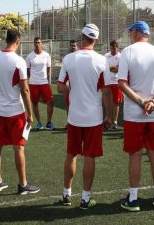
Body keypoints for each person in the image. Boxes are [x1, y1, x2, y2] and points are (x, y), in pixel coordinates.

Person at [118, 21, 154, 212]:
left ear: (136, 32)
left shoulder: (128, 52)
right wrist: (153, 102)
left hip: (134, 114)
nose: (129, 34)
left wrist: (142, 102)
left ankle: (133, 199)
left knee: (135, 154)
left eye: (130, 31)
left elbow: (122, 83)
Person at [57, 24, 112, 209]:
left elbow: (60, 87)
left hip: (74, 117)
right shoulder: (101, 60)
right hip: (94, 118)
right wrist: (109, 117)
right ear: (95, 40)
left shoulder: (69, 58)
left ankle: (66, 194)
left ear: (82, 37)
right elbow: (105, 92)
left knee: (71, 154)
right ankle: (86, 198)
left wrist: (72, 89)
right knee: (89, 157)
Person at [0, 29, 40, 194]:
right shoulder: (18, 61)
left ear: (6, 40)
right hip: (15, 111)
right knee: (18, 148)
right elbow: (25, 90)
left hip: (0, 111)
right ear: (18, 41)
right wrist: (30, 113)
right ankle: (22, 184)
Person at [25, 37, 55, 130]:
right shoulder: (30, 56)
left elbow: (48, 68)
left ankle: (49, 122)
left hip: (44, 82)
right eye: (35, 43)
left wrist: (44, 77)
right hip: (33, 83)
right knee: (34, 103)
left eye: (39, 42)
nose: (37, 44)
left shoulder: (46, 55)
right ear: (34, 44)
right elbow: (28, 70)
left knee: (50, 101)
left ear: (41, 43)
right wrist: (34, 77)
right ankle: (39, 123)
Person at [104, 40, 122, 129]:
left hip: (116, 82)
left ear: (117, 47)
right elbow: (104, 68)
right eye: (112, 47)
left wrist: (110, 68)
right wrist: (113, 67)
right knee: (107, 102)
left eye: (115, 47)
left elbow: (118, 69)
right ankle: (108, 119)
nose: (113, 49)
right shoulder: (106, 56)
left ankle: (115, 121)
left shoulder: (121, 56)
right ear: (110, 47)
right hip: (107, 82)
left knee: (116, 102)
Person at [62, 40, 79, 130]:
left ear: (77, 46)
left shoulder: (81, 57)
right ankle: (69, 122)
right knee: (68, 104)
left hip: (79, 84)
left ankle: (78, 122)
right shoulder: (67, 58)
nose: (73, 47)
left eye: (75, 45)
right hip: (69, 84)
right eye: (72, 45)